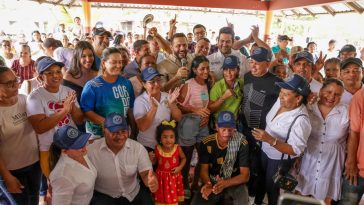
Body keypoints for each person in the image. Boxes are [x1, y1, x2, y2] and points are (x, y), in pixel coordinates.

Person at [252, 74, 312, 205]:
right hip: (265, 151)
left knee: (273, 189)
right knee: (261, 180)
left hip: (278, 160)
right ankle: (257, 202)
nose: (280, 96)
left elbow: (295, 150)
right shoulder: (280, 102)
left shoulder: (301, 120)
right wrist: (266, 141)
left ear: (298, 98)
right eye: (281, 91)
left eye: (286, 93)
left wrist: (271, 140)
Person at [26, 57, 84, 178]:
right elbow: (40, 128)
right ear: (41, 77)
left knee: (78, 179)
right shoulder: (34, 97)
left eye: (58, 71)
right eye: (50, 73)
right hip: (50, 149)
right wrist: (64, 110)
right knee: (57, 185)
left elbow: (78, 120)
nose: (56, 75)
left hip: (72, 143)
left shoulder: (69, 91)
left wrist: (72, 105)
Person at [241, 47, 282, 205]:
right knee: (247, 164)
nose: (254, 66)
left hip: (262, 133)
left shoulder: (277, 82)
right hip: (245, 128)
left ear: (268, 63)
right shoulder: (247, 76)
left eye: (258, 63)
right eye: (252, 62)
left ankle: (257, 199)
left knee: (260, 168)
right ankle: (249, 194)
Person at [87, 113, 158, 205]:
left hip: (133, 193)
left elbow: (146, 173)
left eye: (123, 131)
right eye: (115, 132)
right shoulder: (91, 151)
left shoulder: (138, 148)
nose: (120, 136)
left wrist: (151, 181)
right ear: (104, 131)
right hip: (104, 196)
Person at [296, 78, 348, 203]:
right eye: (328, 92)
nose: (331, 97)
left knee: (324, 200)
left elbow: (354, 136)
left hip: (332, 162)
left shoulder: (346, 111)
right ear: (320, 90)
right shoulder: (309, 107)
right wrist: (297, 156)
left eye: (337, 94)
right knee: (300, 197)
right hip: (308, 158)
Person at [0, 66, 40, 205]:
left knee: (33, 200)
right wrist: (7, 177)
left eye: (15, 80)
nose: (15, 85)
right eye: (9, 83)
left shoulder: (24, 99)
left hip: (34, 164)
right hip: (12, 170)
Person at [191, 111, 250, 205]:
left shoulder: (242, 143)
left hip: (234, 182)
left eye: (230, 129)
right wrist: (208, 184)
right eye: (223, 128)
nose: (226, 133)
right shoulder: (206, 143)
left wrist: (225, 183)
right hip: (212, 181)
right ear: (217, 127)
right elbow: (204, 169)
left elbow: (245, 176)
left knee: (242, 201)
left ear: (234, 128)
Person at [81, 47, 135, 139]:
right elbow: (86, 111)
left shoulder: (126, 83)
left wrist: (133, 129)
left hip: (122, 133)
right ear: (103, 63)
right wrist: (109, 123)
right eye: (114, 62)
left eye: (120, 62)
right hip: (98, 135)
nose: (118, 65)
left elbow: (130, 109)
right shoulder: (92, 86)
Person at [177, 55, 211, 195]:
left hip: (203, 123)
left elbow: (205, 104)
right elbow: (179, 105)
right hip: (188, 124)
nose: (205, 71)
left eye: (207, 68)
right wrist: (194, 110)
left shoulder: (206, 84)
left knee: (203, 155)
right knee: (187, 155)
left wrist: (206, 115)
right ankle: (185, 183)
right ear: (195, 70)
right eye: (202, 68)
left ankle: (196, 182)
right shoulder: (188, 85)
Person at [134, 66, 182, 154]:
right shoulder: (140, 101)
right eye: (152, 82)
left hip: (165, 146)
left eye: (158, 80)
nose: (156, 84)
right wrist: (154, 108)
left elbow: (178, 118)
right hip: (147, 147)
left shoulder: (167, 96)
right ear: (144, 84)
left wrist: (172, 105)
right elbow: (142, 127)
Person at [49, 125, 96, 205]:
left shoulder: (81, 153)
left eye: (82, 141)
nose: (84, 147)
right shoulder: (62, 176)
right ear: (64, 151)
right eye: (78, 146)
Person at [338, 83, 364, 205]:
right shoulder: (361, 96)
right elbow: (354, 132)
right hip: (358, 169)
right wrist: (351, 162)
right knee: (348, 203)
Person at [154, 121, 186, 205]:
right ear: (160, 139)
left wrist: (179, 168)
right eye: (165, 137)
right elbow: (154, 162)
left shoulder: (177, 148)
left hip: (173, 177)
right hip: (161, 178)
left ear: (175, 138)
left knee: (173, 196)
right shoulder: (157, 149)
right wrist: (151, 159)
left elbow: (184, 158)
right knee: (162, 196)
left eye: (171, 137)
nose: (168, 140)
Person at [209, 55, 243, 122]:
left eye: (232, 70)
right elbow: (210, 110)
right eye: (225, 69)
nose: (228, 73)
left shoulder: (241, 83)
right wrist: (223, 97)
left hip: (235, 123)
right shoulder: (217, 87)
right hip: (220, 123)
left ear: (238, 70)